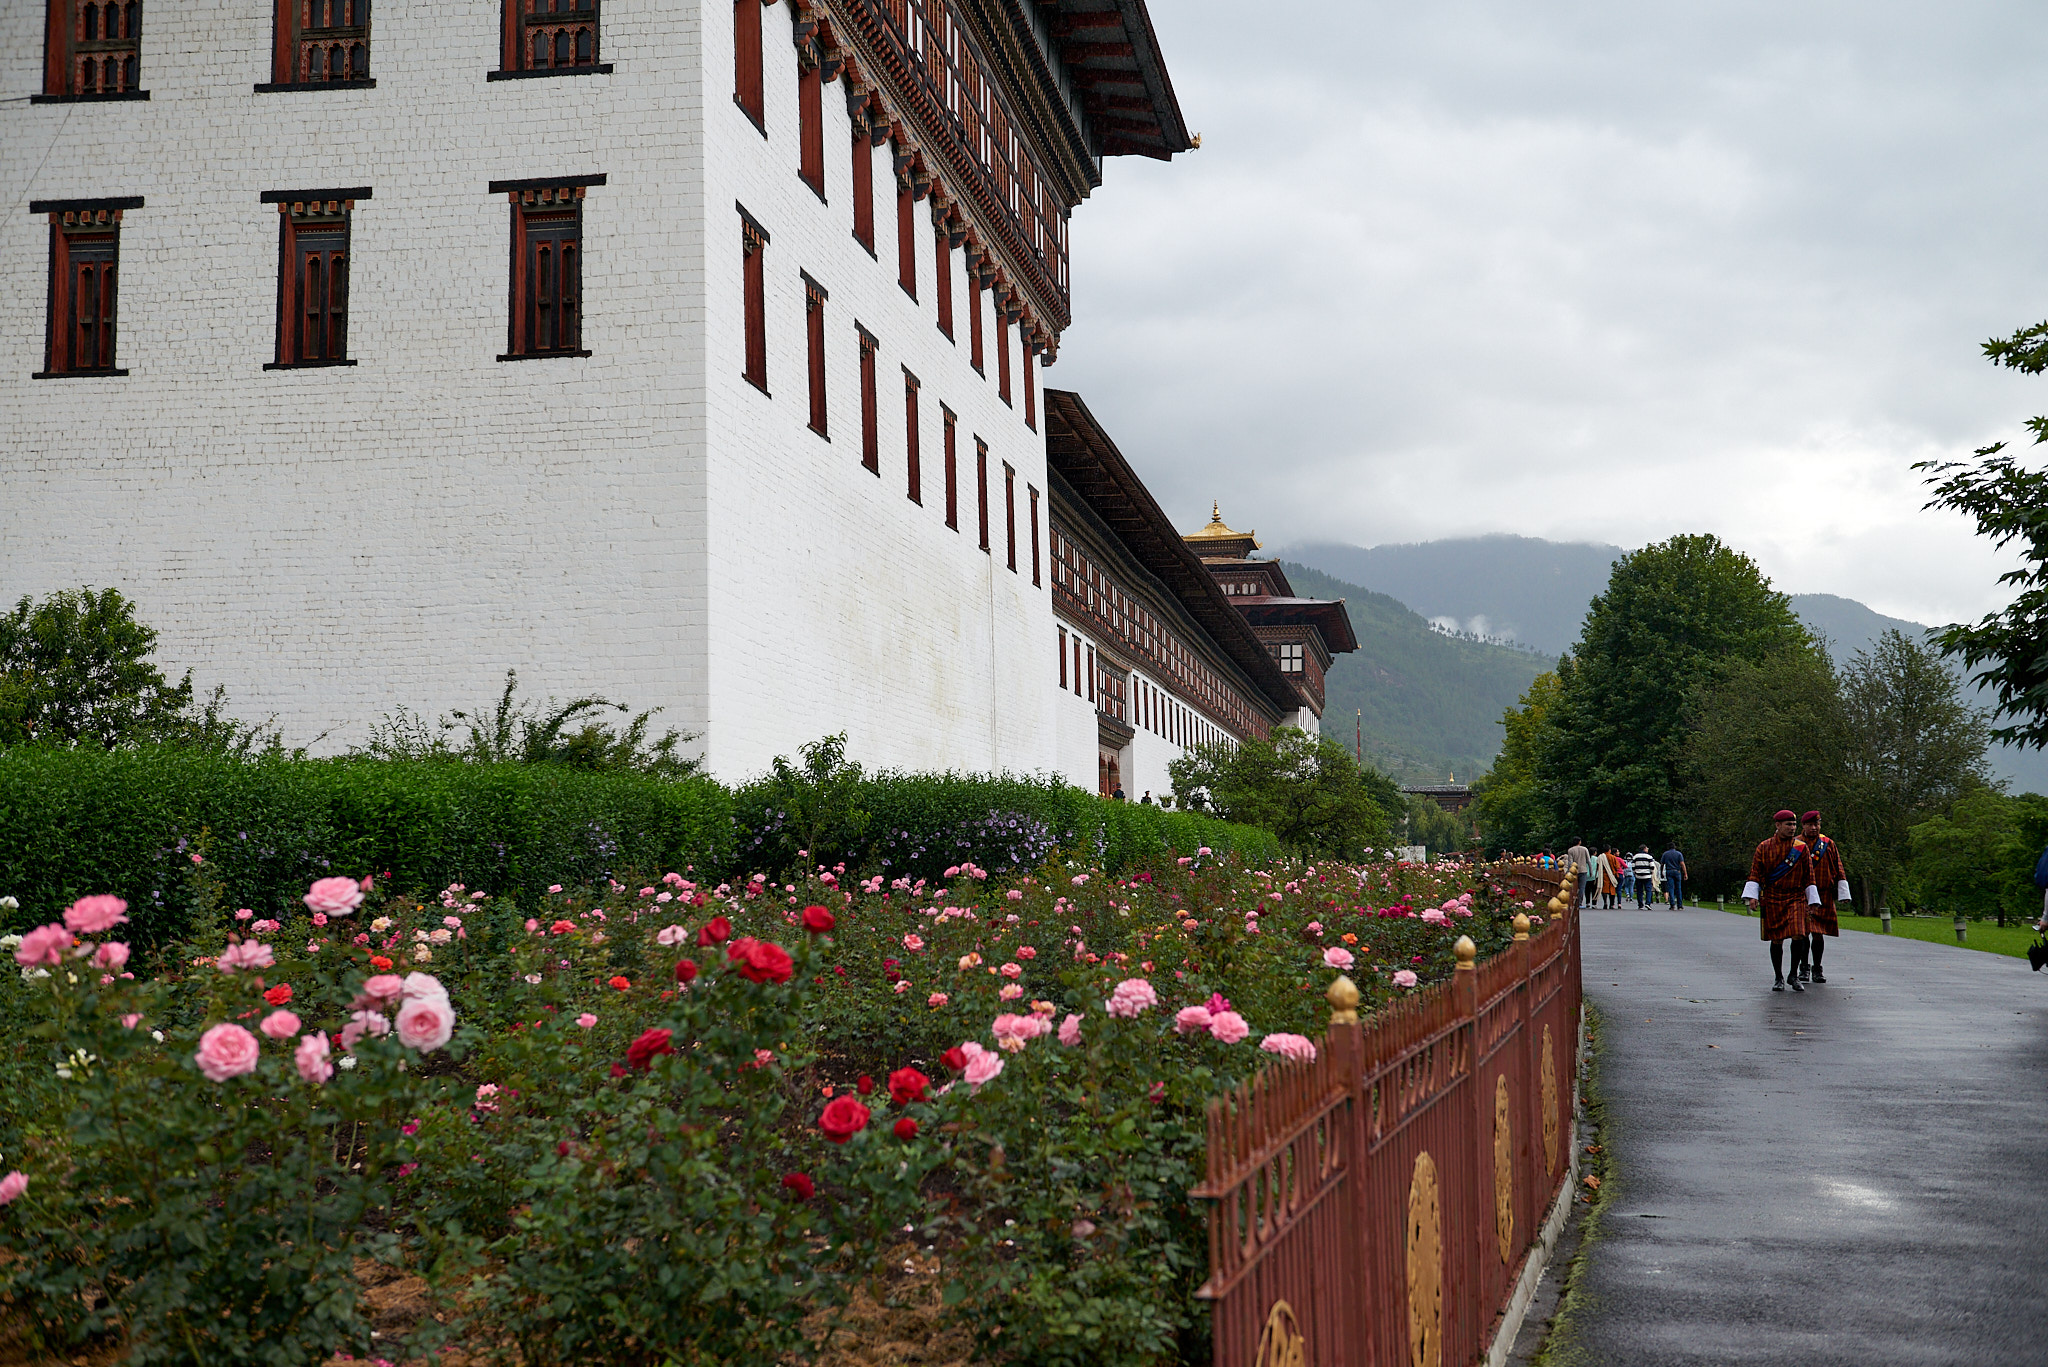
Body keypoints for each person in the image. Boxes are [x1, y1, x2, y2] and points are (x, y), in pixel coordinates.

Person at [1745, 809, 1821, 992]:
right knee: (1777, 939)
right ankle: (1778, 977)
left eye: (1794, 824)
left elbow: (1809, 876)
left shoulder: (1801, 848)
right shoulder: (1763, 847)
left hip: (1796, 897)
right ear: (1778, 826)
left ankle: (1793, 975)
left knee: (1799, 934)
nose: (1792, 828)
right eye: (1788, 825)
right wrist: (1752, 896)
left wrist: (1813, 901)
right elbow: (1755, 873)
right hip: (1772, 897)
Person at [1798, 810, 1850, 983]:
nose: (1814, 828)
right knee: (1803, 933)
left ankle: (1817, 969)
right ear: (1803, 826)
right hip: (1802, 893)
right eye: (1810, 825)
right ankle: (1803, 968)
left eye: (1817, 824)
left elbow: (1838, 867)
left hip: (1823, 893)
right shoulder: (1796, 844)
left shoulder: (1828, 843)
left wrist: (1843, 891)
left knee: (1818, 933)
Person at [1567, 838, 1594, 905]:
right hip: (1583, 870)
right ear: (1579, 842)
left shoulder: (1570, 850)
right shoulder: (1584, 849)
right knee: (1582, 887)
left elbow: (1570, 862)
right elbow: (1588, 861)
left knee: (1574, 887)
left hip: (1574, 871)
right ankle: (1580, 902)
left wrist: (1568, 871)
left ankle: (1574, 901)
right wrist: (1591, 871)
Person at [1661, 843, 1687, 910]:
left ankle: (1672, 904)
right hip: (1677, 871)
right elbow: (1682, 864)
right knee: (1678, 888)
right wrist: (1685, 873)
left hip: (1669, 871)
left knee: (1671, 888)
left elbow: (1662, 864)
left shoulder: (1665, 854)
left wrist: (1661, 872)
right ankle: (1680, 905)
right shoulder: (1679, 854)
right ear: (1675, 847)